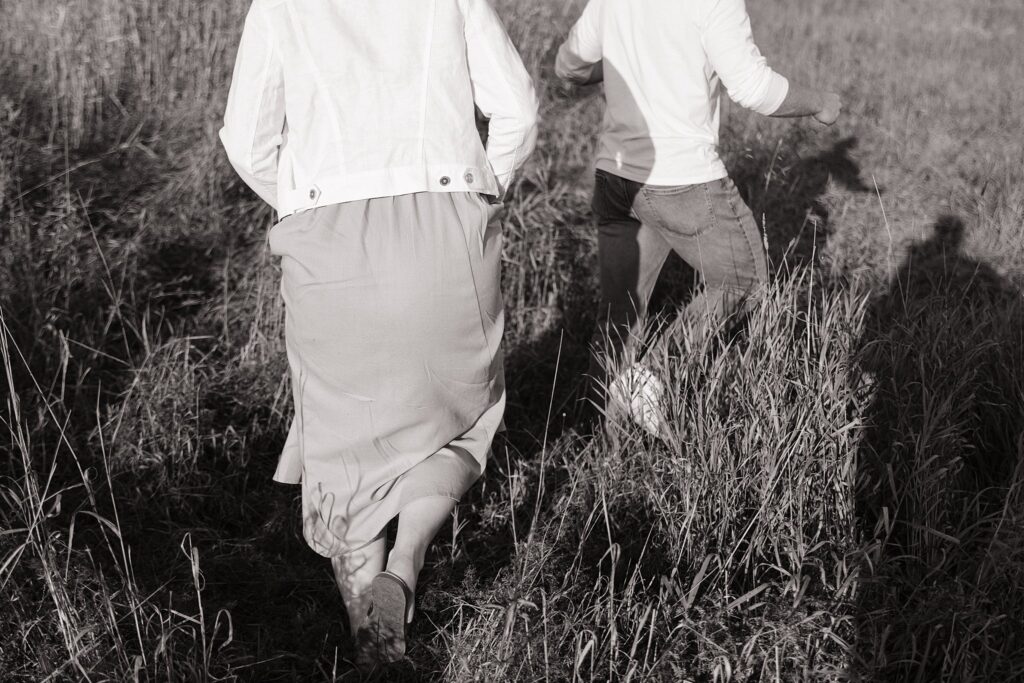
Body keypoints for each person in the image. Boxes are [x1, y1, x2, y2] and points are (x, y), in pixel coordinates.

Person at [219, 0, 538, 665]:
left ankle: (379, 649)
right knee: (460, 425)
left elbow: (246, 140)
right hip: (450, 229)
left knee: (343, 456)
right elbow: (519, 110)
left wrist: (302, 202)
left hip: (330, 240)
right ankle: (408, 558)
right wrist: (482, 194)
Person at [555, 0, 841, 435]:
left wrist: (626, 70)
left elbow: (570, 67)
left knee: (619, 313)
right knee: (744, 282)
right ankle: (650, 378)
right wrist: (820, 102)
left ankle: (599, 435)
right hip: (682, 181)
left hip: (616, 179)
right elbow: (752, 87)